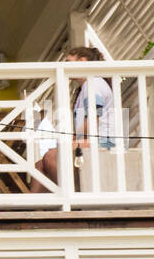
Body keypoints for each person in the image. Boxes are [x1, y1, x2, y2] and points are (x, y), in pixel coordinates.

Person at [32, 46, 116, 192]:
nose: (64, 65)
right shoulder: (87, 87)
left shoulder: (94, 84)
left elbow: (92, 122)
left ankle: (72, 197)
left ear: (82, 61)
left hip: (102, 141)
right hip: (90, 140)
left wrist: (71, 141)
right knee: (40, 165)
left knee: (50, 156)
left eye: (68, 61)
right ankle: (33, 210)